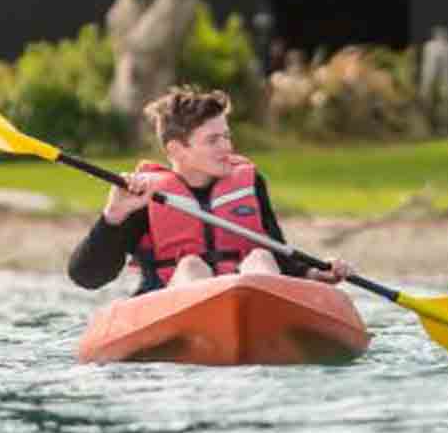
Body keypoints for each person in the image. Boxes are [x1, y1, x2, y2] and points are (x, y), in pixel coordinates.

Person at [67, 87, 351, 295]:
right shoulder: (143, 196)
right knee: (191, 266)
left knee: (261, 257)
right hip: (176, 302)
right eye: (213, 140)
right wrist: (113, 216)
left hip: (255, 300)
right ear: (177, 150)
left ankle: (260, 316)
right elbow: (87, 277)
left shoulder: (250, 184)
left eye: (227, 136)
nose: (227, 148)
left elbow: (279, 252)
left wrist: (313, 273)